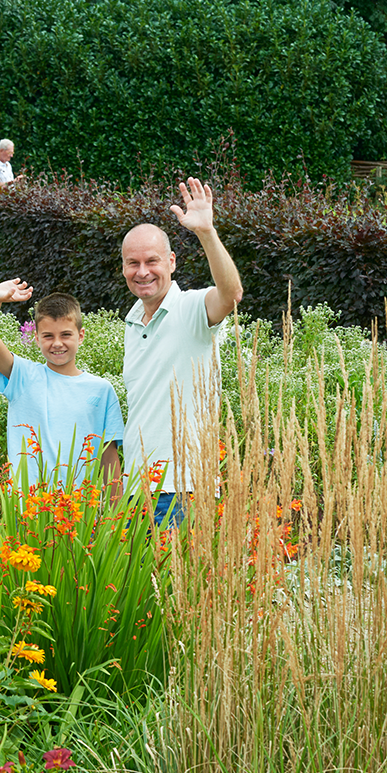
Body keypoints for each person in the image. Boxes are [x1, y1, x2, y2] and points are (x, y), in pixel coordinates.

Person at [120, 177, 243, 525]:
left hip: (181, 489)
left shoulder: (191, 310)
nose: (142, 272)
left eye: (152, 261)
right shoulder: (132, 322)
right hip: (137, 490)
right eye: (133, 263)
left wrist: (206, 232)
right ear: (124, 268)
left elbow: (230, 294)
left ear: (172, 262)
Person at [0, 280, 123, 490]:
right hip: (28, 509)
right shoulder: (22, 376)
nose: (57, 343)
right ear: (36, 338)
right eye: (48, 336)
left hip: (79, 512)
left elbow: (110, 460)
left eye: (66, 334)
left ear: (80, 336)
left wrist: (115, 519)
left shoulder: (101, 390)